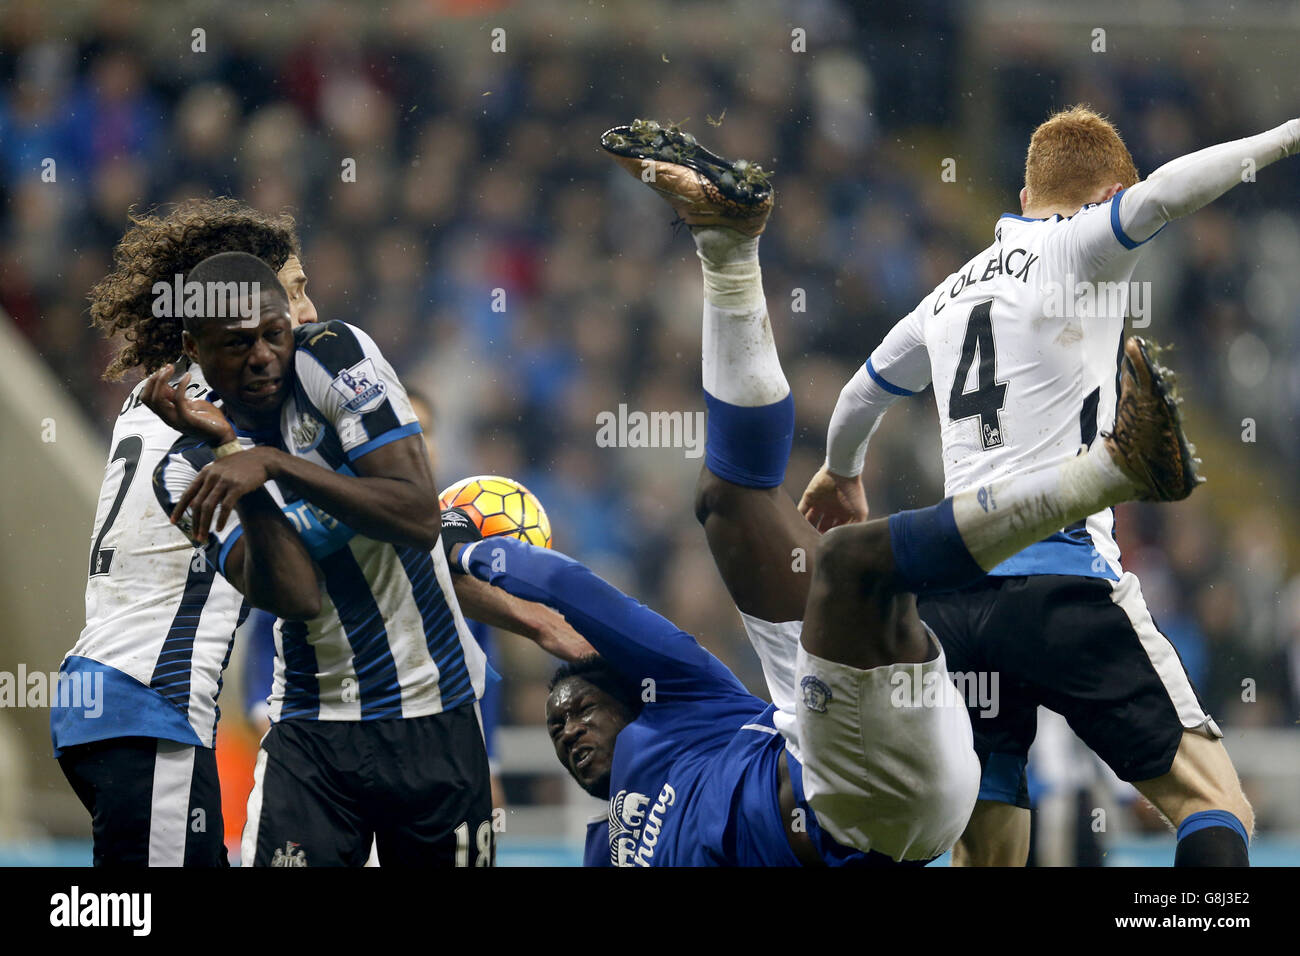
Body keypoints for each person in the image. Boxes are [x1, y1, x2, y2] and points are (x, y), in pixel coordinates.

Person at [444, 120, 1201, 866]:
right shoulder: (599, 851)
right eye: (555, 727)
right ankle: (1104, 473)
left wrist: (472, 555)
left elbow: (585, 598)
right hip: (868, 809)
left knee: (728, 503)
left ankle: (728, 246)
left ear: (632, 696)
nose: (566, 734)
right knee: (851, 568)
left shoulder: (688, 704)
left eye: (575, 709)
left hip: (828, 751)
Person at [798, 107, 1299, 866]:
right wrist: (1288, 135)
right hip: (1063, 586)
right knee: (1213, 802)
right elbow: (1168, 193)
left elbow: (859, 397)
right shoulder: (1079, 244)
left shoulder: (943, 298)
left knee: (990, 850)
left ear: (1027, 193)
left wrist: (843, 472)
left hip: (954, 608)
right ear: (1105, 193)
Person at [142, 251, 496, 866]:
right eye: (236, 344)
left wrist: (278, 466)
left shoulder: (335, 354)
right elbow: (296, 595)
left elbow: (416, 516)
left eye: (273, 335)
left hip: (435, 710)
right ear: (194, 348)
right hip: (313, 731)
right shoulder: (184, 469)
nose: (262, 356)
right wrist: (231, 455)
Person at [53, 199, 308, 866]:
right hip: (148, 707)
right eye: (297, 292)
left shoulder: (156, 398)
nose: (309, 314)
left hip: (110, 700)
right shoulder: (212, 420)